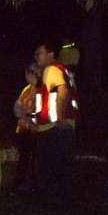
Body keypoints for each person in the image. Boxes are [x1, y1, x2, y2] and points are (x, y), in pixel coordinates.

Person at [33, 39, 77, 205]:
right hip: (64, 124)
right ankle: (61, 198)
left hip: (54, 126)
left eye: (40, 53)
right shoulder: (64, 70)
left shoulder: (51, 70)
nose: (37, 56)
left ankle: (50, 200)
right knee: (59, 163)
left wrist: (58, 118)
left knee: (49, 164)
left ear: (51, 54)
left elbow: (62, 91)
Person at [10, 63, 41, 194]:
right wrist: (23, 116)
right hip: (24, 130)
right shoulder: (26, 90)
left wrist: (30, 120)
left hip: (36, 130)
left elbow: (40, 111)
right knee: (24, 158)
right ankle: (19, 184)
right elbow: (17, 107)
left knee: (35, 159)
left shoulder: (41, 90)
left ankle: (34, 185)